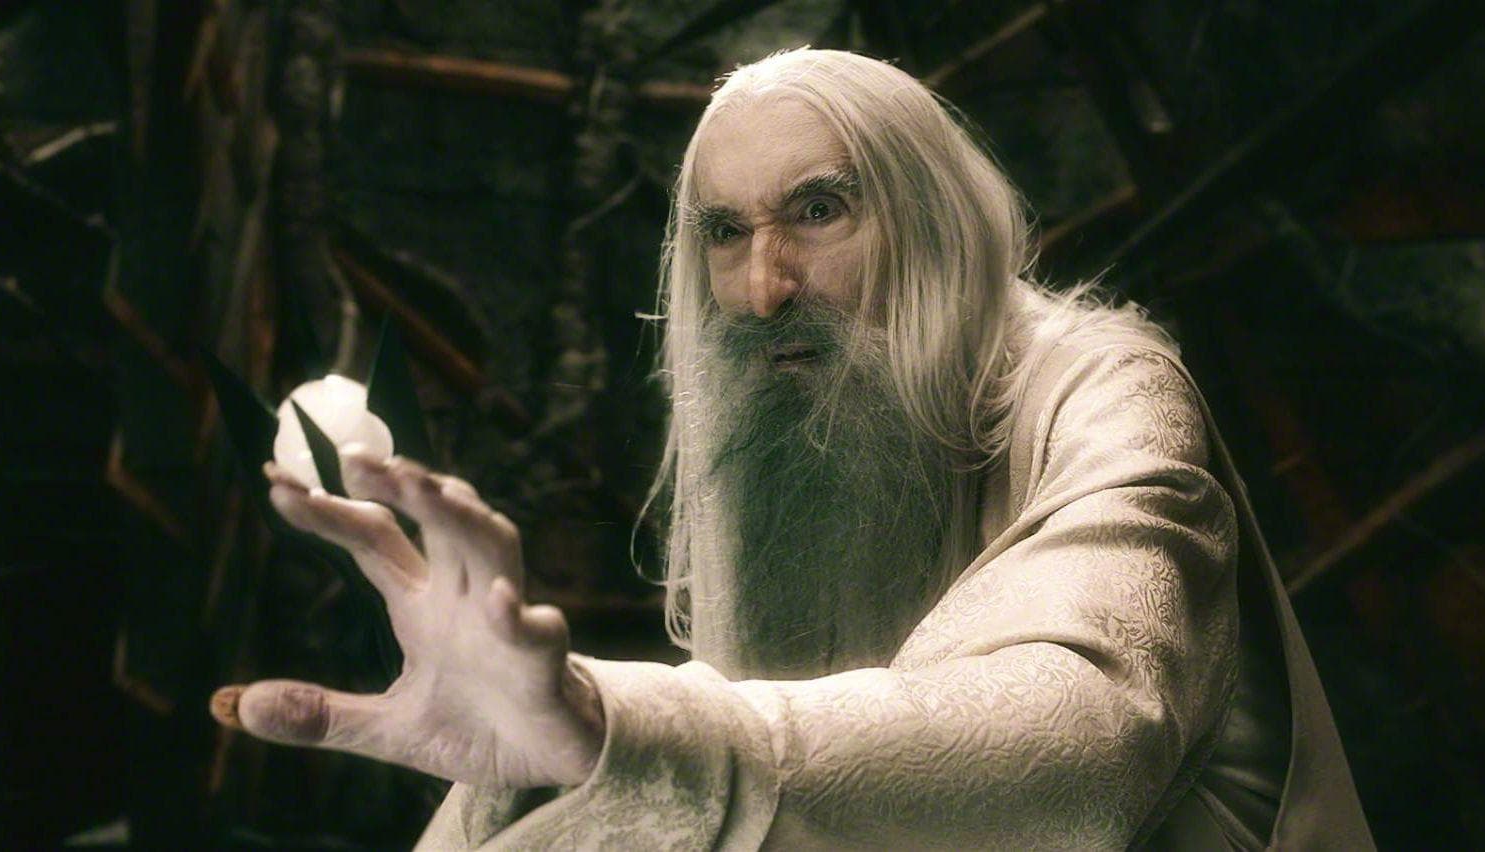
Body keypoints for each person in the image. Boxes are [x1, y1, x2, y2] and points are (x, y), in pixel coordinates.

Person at [211, 49, 1374, 849]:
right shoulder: (792, 421)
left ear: (927, 217)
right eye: (725, 233)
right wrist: (509, 766)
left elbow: (1085, 728)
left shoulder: (1102, 387)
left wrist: (617, 726)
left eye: (818, 212)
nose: (763, 288)